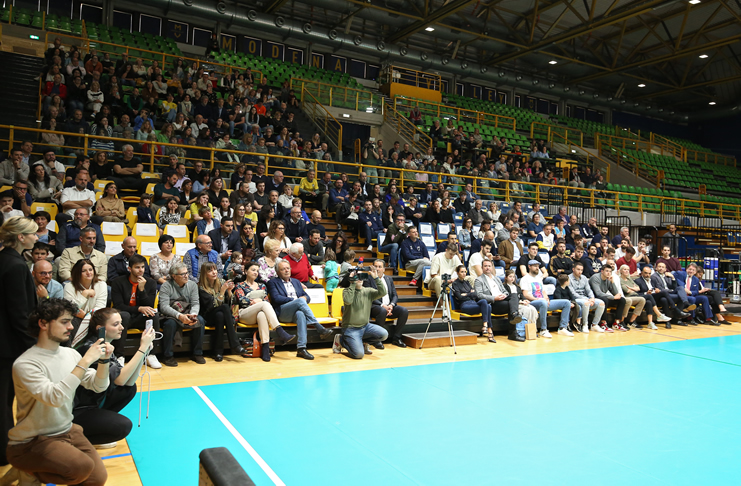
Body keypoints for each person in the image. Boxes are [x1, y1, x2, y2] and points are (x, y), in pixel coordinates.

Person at [4, 299, 111, 486]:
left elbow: (98, 386)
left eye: (71, 321)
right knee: (80, 467)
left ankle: (31, 470)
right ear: (43, 324)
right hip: (31, 441)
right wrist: (85, 361)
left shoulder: (70, 354)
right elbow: (55, 397)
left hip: (67, 430)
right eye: (64, 322)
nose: (70, 327)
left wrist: (104, 361)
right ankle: (27, 467)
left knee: (97, 479)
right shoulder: (25, 363)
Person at [73, 308, 155, 447]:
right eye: (116, 324)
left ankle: (96, 428)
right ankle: (82, 436)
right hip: (78, 410)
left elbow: (128, 381)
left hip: (93, 401)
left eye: (121, 323)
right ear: (101, 329)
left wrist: (144, 352)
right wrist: (141, 348)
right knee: (122, 426)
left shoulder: (106, 345)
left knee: (129, 389)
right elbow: (120, 379)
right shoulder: (92, 348)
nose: (122, 328)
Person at [0, 217, 39, 466]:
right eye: (33, 234)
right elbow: (19, 313)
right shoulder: (15, 266)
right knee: (4, 402)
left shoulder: (6, 259)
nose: (37, 238)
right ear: (21, 237)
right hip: (7, 345)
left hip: (6, 341)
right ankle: (4, 454)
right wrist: (34, 347)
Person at [266, 260, 334, 360]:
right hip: (283, 312)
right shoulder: (272, 282)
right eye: (283, 269)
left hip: (295, 310)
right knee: (300, 302)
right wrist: (295, 300)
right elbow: (276, 298)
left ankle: (301, 348)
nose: (286, 270)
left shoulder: (296, 281)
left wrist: (305, 298)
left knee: (300, 314)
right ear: (278, 272)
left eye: (288, 268)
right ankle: (317, 326)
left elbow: (306, 296)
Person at [234, 262, 296, 362]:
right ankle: (279, 330)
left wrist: (260, 301)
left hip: (258, 312)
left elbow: (267, 301)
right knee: (263, 304)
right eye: (253, 270)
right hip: (245, 314)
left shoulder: (262, 286)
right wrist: (258, 301)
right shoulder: (239, 285)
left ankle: (265, 349)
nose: (255, 272)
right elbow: (242, 300)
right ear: (245, 271)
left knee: (262, 314)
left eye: (257, 271)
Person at [110, 254, 161, 367]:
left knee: (154, 315)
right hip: (125, 316)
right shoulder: (118, 282)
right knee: (124, 315)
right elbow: (118, 305)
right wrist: (138, 308)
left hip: (139, 317)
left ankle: (151, 354)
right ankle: (119, 356)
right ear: (129, 269)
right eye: (137, 267)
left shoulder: (151, 283)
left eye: (142, 267)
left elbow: (149, 306)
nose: (140, 270)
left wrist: (142, 290)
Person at [334, 265, 388, 359]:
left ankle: (363, 342)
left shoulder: (368, 291)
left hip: (365, 327)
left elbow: (383, 292)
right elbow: (348, 301)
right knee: (359, 355)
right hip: (351, 329)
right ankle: (342, 340)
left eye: (361, 276)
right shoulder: (347, 291)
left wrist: (376, 278)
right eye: (357, 277)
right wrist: (352, 283)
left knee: (384, 334)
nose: (359, 279)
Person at [158, 261, 206, 366]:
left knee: (200, 320)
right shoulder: (166, 286)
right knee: (170, 324)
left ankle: (197, 353)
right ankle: (168, 356)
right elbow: (164, 307)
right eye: (183, 274)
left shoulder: (192, 285)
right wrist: (179, 316)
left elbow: (195, 303)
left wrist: (193, 314)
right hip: (170, 314)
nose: (186, 275)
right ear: (174, 276)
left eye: (187, 273)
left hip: (187, 312)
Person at [197, 262, 247, 361]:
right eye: (210, 270)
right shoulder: (201, 287)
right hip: (207, 316)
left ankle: (218, 352)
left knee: (220, 315)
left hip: (220, 314)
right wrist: (222, 292)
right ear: (204, 273)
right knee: (222, 309)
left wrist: (229, 291)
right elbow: (211, 306)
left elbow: (230, 303)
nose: (214, 272)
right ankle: (235, 344)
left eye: (215, 269)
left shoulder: (221, 282)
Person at [474, 260, 525, 342]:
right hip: (493, 303)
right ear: (482, 267)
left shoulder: (496, 279)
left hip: (502, 299)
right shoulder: (479, 280)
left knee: (514, 295)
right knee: (512, 306)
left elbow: (504, 291)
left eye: (489, 266)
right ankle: (513, 332)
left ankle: (514, 314)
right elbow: (479, 295)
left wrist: (504, 295)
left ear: (492, 267)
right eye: (485, 266)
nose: (487, 268)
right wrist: (494, 297)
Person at [520, 259, 572, 337]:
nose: (537, 268)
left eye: (538, 266)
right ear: (529, 267)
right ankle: (543, 329)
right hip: (532, 302)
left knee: (566, 302)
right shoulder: (524, 279)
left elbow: (543, 292)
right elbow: (526, 294)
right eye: (535, 266)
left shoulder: (539, 279)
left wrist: (547, 299)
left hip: (543, 301)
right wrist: (539, 299)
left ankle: (562, 328)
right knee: (543, 303)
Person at [64, 259, 109, 349]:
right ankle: (70, 350)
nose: (88, 273)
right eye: (84, 271)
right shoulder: (69, 286)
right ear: (77, 273)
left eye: (90, 269)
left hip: (94, 318)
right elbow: (70, 309)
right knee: (72, 321)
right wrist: (84, 294)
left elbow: (100, 308)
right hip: (76, 318)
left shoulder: (101, 285)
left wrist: (85, 316)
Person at [364, 259, 409, 348]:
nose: (377, 269)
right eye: (375, 266)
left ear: (384, 269)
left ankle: (397, 338)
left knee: (404, 311)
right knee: (382, 310)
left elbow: (395, 295)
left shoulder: (389, 279)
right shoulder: (368, 279)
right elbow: (368, 296)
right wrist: (383, 306)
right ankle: (377, 339)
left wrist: (391, 305)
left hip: (389, 306)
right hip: (375, 306)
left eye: (380, 267)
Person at [452, 265, 494, 340]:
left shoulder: (467, 282)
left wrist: (466, 294)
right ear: (458, 273)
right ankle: (489, 331)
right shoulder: (455, 284)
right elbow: (460, 297)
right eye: (462, 272)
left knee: (485, 303)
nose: (464, 273)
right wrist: (470, 293)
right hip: (465, 305)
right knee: (488, 307)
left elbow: (475, 294)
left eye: (465, 272)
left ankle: (485, 325)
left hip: (473, 302)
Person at [568, 262, 606, 333]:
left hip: (586, 298)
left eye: (581, 270)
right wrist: (586, 299)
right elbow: (572, 293)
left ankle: (595, 324)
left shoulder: (584, 278)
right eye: (578, 269)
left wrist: (592, 298)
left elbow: (589, 290)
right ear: (573, 269)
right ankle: (585, 325)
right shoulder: (568, 278)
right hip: (575, 299)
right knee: (586, 303)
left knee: (601, 303)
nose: (580, 272)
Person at [502, 270, 539, 342]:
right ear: (506, 277)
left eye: (513, 277)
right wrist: (520, 301)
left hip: (521, 302)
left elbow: (522, 296)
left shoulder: (517, 287)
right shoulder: (504, 286)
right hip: (514, 304)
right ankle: (522, 331)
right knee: (527, 310)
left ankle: (533, 330)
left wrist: (525, 300)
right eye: (510, 277)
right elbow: (507, 297)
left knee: (532, 309)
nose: (512, 278)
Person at [589, 264, 627, 332]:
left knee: (622, 300)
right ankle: (603, 323)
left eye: (610, 271)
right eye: (607, 271)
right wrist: (613, 297)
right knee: (604, 299)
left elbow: (616, 293)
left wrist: (612, 282)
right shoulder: (595, 278)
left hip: (603, 297)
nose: (608, 273)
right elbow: (598, 293)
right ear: (602, 271)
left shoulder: (608, 279)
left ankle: (616, 323)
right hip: (593, 298)